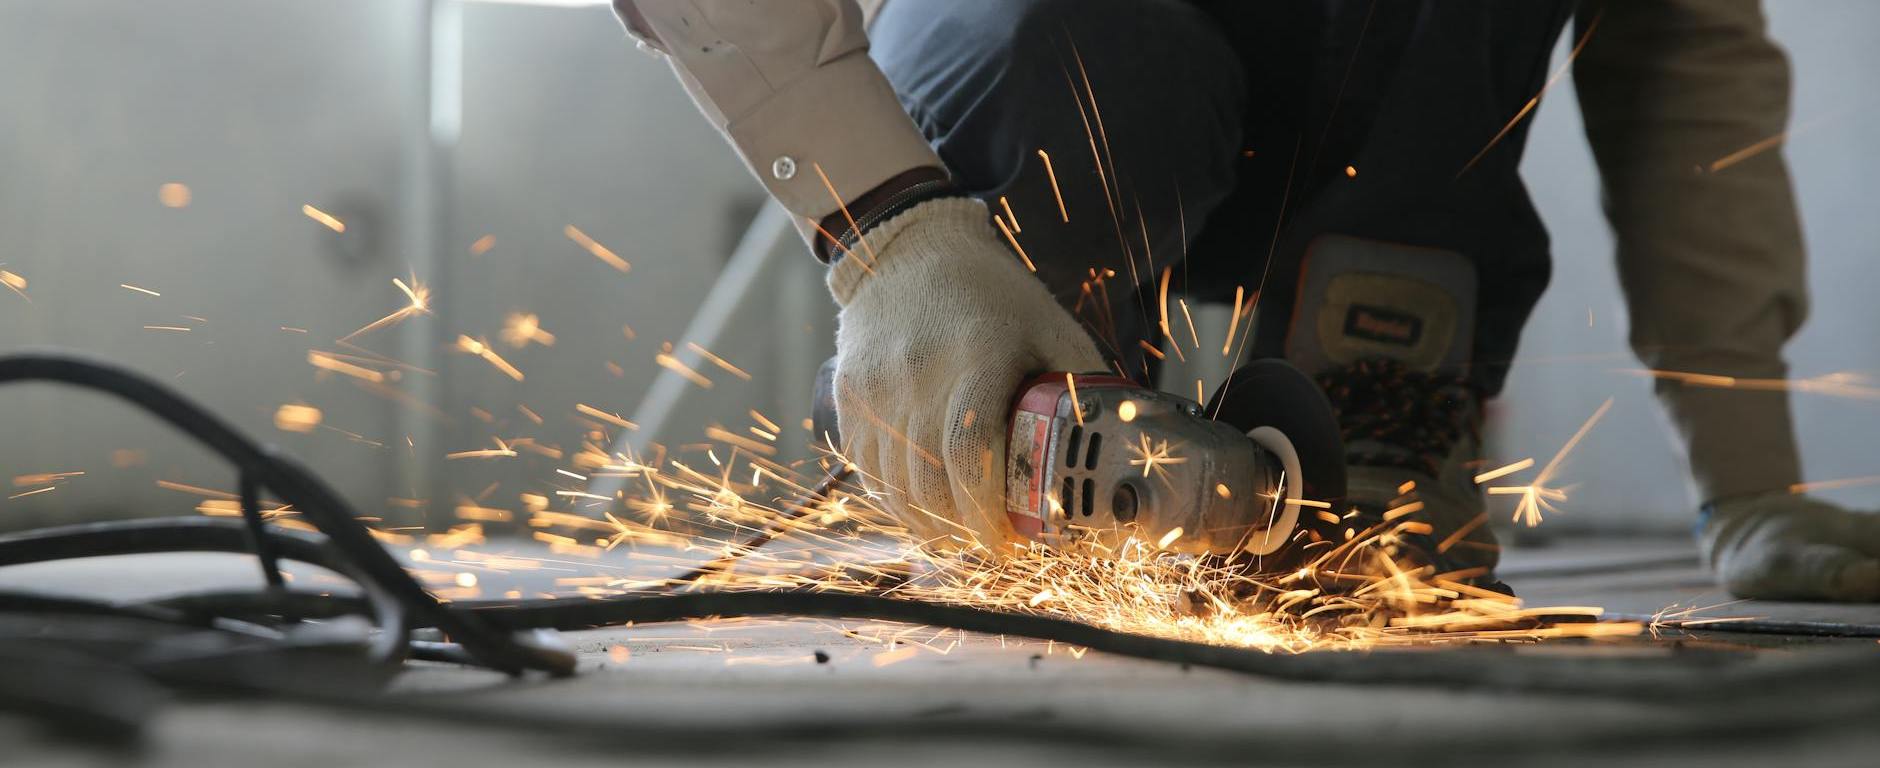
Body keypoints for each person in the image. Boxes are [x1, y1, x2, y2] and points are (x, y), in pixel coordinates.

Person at [610, 0, 1880, 601]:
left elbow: (1681, 52)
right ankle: (989, 398)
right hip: (1060, 71)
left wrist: (1747, 476)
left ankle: (1376, 385)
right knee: (1052, 44)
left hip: (1387, 110)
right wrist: (888, 233)